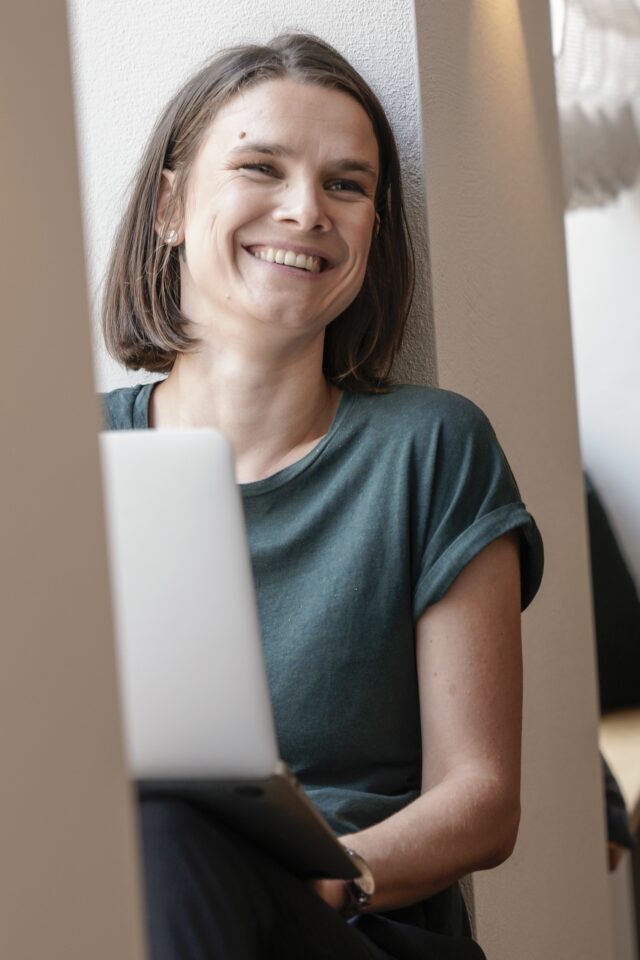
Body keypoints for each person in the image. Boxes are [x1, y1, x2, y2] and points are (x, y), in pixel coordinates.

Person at [100, 33, 544, 960]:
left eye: (347, 185)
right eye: (262, 167)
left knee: (169, 835)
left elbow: (484, 799)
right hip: (122, 907)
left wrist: (338, 871)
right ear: (171, 207)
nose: (305, 210)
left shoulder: (433, 445)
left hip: (355, 926)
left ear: (373, 230)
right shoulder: (67, 458)